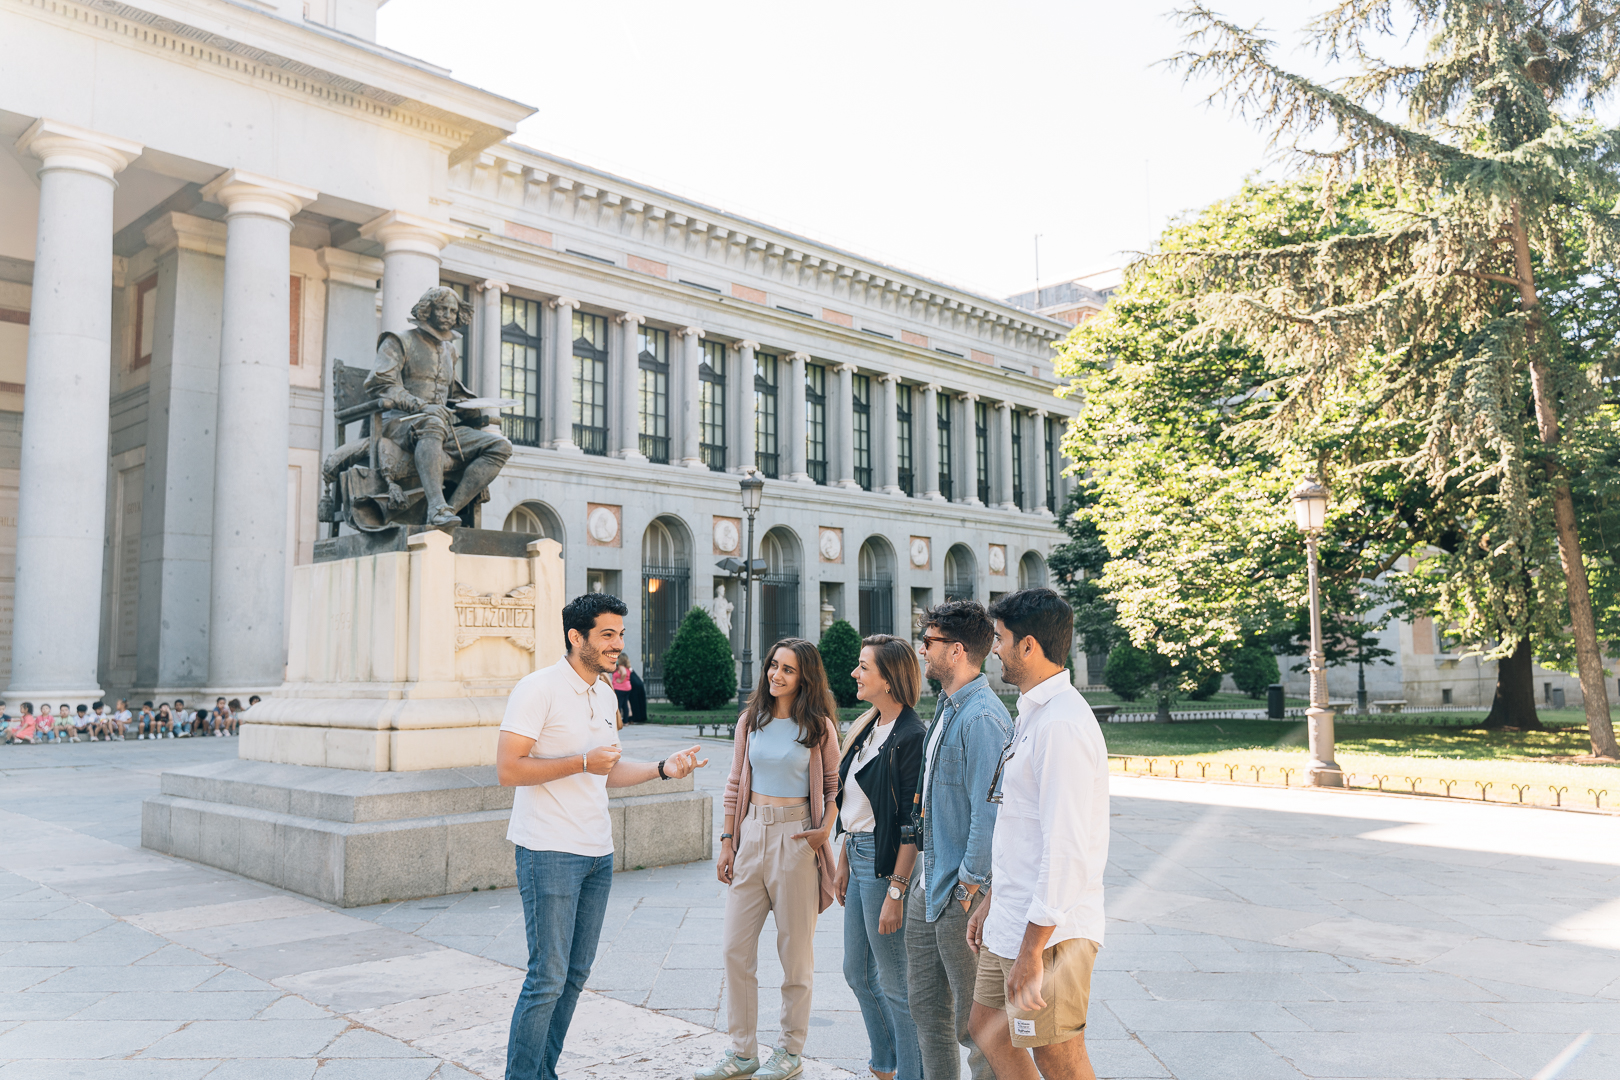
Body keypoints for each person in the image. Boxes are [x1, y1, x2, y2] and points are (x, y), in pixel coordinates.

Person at [498, 592, 707, 1080]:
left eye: (620, 634)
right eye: (607, 634)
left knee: (573, 976)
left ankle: (540, 1072)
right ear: (577, 637)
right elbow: (509, 769)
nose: (617, 645)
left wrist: (662, 768)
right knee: (546, 978)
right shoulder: (537, 688)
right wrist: (581, 762)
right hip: (548, 849)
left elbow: (606, 772)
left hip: (598, 853)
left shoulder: (605, 693)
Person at [966, 589, 1109, 1080]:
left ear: (1028, 646)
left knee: (1058, 1056)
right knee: (987, 1029)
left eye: (1001, 639)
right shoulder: (1034, 713)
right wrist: (994, 900)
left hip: (1051, 931)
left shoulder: (1063, 725)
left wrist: (1032, 950)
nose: (995, 650)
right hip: (1014, 915)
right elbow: (1020, 827)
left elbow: (1066, 846)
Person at [699, 638, 841, 1080]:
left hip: (797, 838)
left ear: (806, 677)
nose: (776, 675)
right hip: (751, 834)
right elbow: (735, 782)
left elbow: (835, 786)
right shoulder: (751, 720)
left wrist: (824, 829)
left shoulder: (817, 727)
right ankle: (743, 1052)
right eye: (773, 665)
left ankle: (790, 1050)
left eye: (789, 669)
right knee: (734, 949)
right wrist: (727, 840)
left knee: (795, 954)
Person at [907, 600, 1012, 1080]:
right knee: (927, 1011)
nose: (922, 650)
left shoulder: (982, 719)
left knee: (978, 1028)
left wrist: (969, 887)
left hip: (960, 894)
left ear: (957, 650)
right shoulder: (948, 709)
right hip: (929, 886)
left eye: (928, 642)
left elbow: (989, 813)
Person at [834, 635, 927, 1080]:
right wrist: (843, 859)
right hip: (858, 853)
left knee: (896, 983)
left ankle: (912, 1072)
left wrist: (896, 890)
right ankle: (886, 1064)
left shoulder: (911, 735)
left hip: (886, 864)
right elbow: (853, 803)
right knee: (856, 971)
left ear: (889, 679)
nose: (855, 673)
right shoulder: (867, 725)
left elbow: (913, 822)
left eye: (863, 666)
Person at [610, 655, 635, 725]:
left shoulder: (621, 667)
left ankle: (617, 721)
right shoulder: (628, 668)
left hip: (620, 688)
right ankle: (625, 721)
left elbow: (624, 673)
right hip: (627, 688)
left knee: (619, 705)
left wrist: (620, 680)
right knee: (625, 705)